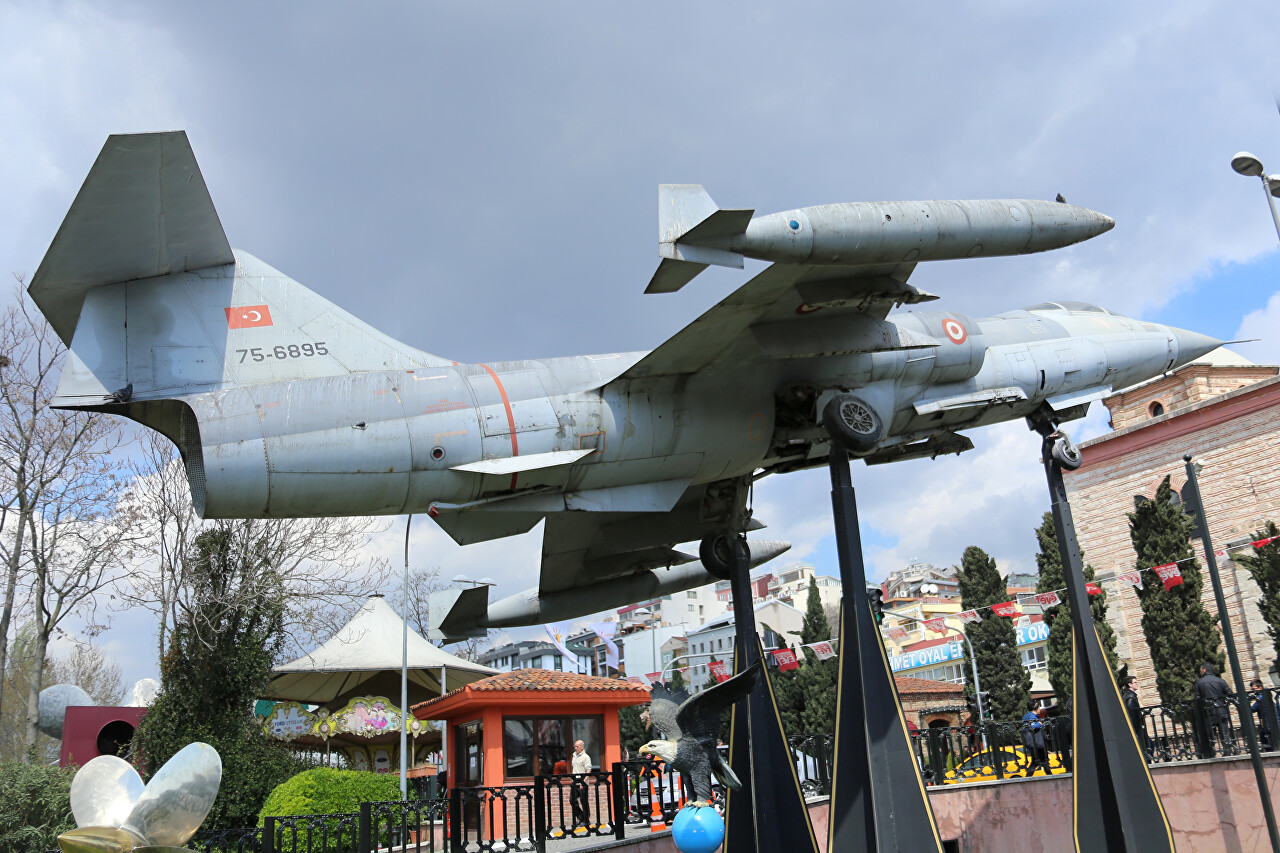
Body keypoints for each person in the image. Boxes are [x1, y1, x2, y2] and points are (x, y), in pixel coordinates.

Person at [1194, 662, 1233, 757]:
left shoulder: (1199, 682)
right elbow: (1230, 694)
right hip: (1221, 709)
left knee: (1210, 733)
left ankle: (1211, 752)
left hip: (1208, 712)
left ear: (1204, 670)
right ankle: (1227, 751)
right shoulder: (1220, 681)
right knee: (1224, 732)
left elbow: (1197, 699)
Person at [1121, 676, 1152, 761]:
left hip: (1135, 728)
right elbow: (1132, 715)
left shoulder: (1128, 695)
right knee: (1148, 745)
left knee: (1148, 744)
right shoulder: (1130, 697)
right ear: (1130, 684)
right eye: (1135, 682)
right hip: (1136, 728)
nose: (1137, 684)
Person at [1021, 700, 1050, 776]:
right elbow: (1032, 726)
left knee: (1037, 762)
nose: (1040, 709)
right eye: (1039, 707)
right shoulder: (1032, 716)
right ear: (1035, 708)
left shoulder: (1027, 715)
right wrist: (1040, 724)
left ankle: (1029, 777)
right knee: (1041, 761)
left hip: (1033, 744)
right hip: (1037, 743)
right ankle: (1051, 776)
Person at [570, 739, 592, 829]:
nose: (575, 748)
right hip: (575, 781)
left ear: (582, 747)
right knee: (572, 800)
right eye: (574, 746)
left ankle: (586, 820)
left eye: (577, 746)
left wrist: (584, 782)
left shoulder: (586, 757)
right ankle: (580, 817)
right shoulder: (574, 756)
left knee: (584, 802)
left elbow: (588, 770)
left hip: (583, 781)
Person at [1250, 678, 1272, 750]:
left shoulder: (1261, 697)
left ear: (1260, 687)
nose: (1253, 691)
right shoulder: (1267, 694)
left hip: (1267, 724)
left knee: (1267, 742)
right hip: (1269, 723)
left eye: (1254, 689)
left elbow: (1252, 709)